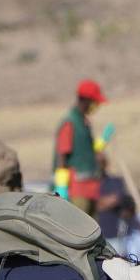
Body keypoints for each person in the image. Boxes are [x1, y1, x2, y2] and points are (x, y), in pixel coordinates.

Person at [52, 79, 112, 214]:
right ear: (86, 100)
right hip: (77, 190)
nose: (96, 105)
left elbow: (87, 150)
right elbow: (62, 156)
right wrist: (61, 187)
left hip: (92, 189)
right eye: (95, 102)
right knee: (78, 230)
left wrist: (103, 140)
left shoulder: (84, 122)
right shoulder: (70, 123)